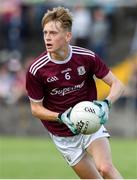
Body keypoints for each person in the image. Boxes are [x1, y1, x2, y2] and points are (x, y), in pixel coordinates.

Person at [26, 6, 124, 179]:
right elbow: (36, 109)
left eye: (53, 33)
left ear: (68, 36)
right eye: (45, 33)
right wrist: (62, 116)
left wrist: (106, 103)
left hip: (90, 122)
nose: (48, 38)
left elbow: (117, 84)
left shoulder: (86, 57)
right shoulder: (37, 70)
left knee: (106, 168)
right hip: (62, 134)